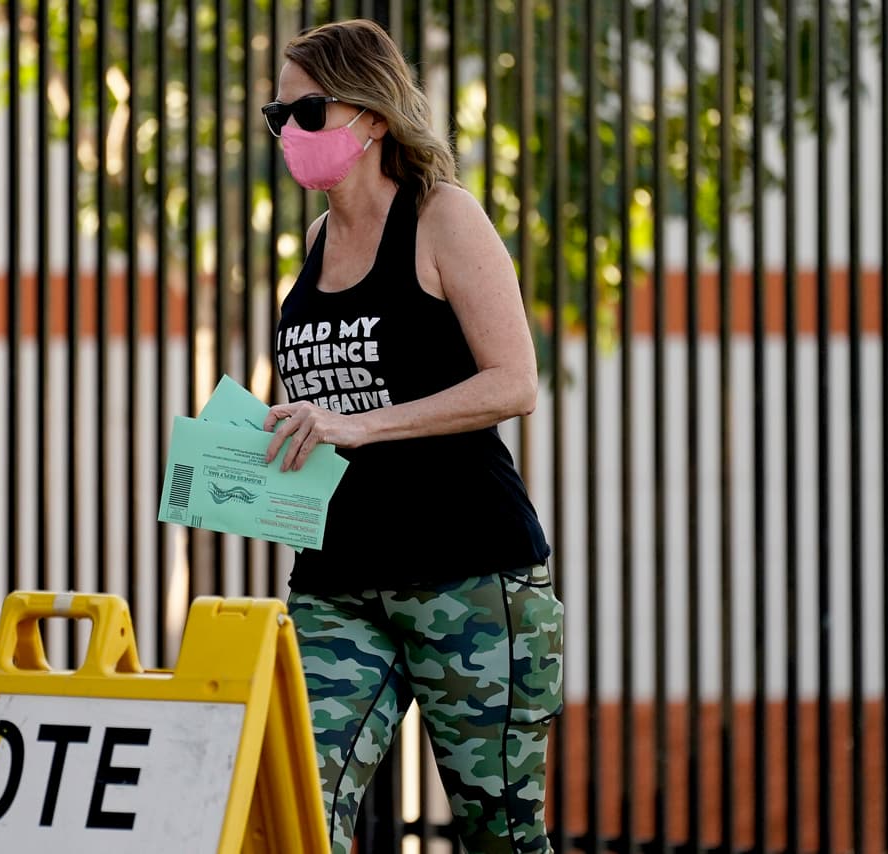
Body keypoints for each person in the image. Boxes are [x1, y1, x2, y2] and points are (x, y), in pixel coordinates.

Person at [257, 19, 564, 854]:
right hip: (338, 583)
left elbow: (514, 381)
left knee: (501, 836)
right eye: (279, 116)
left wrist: (360, 426)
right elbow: (329, 407)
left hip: (468, 576)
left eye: (308, 111)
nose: (291, 132)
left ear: (372, 115)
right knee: (291, 812)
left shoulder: (442, 217)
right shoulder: (316, 242)